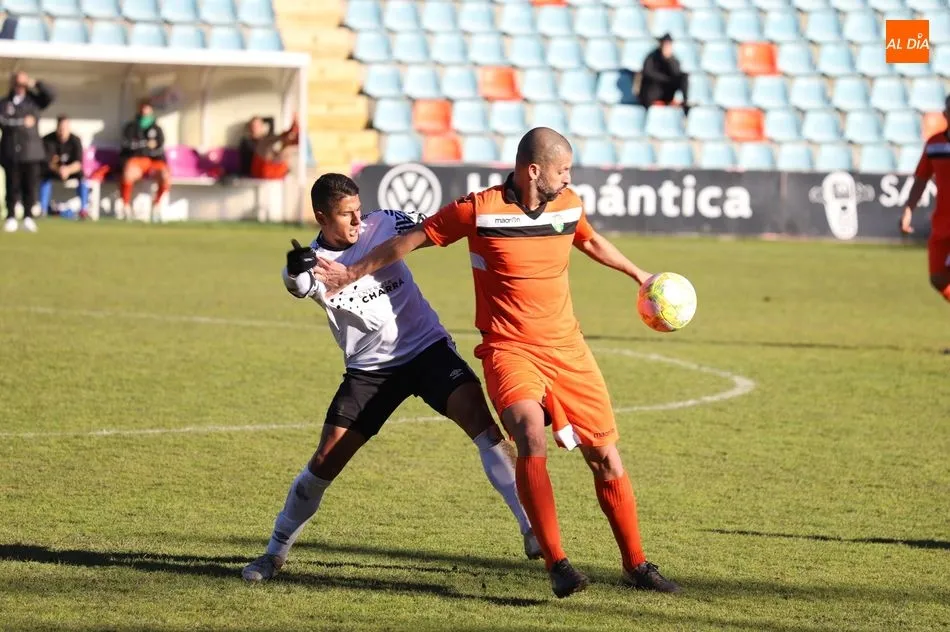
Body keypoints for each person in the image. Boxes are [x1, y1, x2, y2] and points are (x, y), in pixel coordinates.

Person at [314, 128, 681, 599]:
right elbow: (412, 240)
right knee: (528, 434)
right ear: (534, 170)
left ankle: (636, 564)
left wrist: (640, 274)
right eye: (562, 169)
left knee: (606, 458)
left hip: (569, 349)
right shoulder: (479, 209)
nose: (568, 177)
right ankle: (557, 563)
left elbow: (587, 242)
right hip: (510, 349)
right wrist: (350, 271)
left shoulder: (569, 203)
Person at [241, 173, 540, 583]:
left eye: (358, 211)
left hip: (427, 350)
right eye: (346, 216)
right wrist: (293, 270)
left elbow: (434, 225)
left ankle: (530, 528)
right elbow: (298, 284)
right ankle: (273, 554)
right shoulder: (316, 263)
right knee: (324, 462)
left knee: (484, 428)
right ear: (321, 217)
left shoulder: (383, 222)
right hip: (370, 372)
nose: (357, 222)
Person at [901, 95, 950, 304]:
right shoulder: (934, 144)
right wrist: (909, 208)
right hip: (942, 223)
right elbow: (921, 178)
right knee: (938, 278)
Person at [0, 71, 55, 233]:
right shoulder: (5, 103)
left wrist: (35, 83)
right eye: (17, 83)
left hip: (31, 151)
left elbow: (51, 95)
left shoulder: (34, 102)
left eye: (22, 84)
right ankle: (11, 217)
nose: (20, 87)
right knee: (12, 185)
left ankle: (28, 217)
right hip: (10, 150)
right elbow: (4, 121)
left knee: (30, 186)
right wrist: (21, 123)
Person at [119, 99, 168, 213]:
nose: (145, 110)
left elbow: (159, 146)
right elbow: (127, 144)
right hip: (137, 160)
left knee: (165, 175)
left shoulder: (157, 128)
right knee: (128, 173)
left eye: (147, 108)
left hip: (153, 161)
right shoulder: (131, 127)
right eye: (143, 107)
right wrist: (145, 144)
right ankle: (125, 206)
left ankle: (156, 205)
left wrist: (150, 147)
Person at [40, 115, 89, 220]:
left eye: (65, 128)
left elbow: (78, 163)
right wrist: (59, 169)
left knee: (82, 177)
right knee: (43, 176)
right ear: (57, 127)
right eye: (60, 128)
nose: (62, 131)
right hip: (54, 170)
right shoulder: (48, 139)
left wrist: (67, 170)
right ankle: (42, 209)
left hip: (71, 170)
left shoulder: (75, 140)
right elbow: (47, 162)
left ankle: (84, 209)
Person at [638, 34, 689, 114]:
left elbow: (676, 75)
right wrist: (665, 79)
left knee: (684, 76)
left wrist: (669, 60)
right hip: (653, 92)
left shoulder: (673, 59)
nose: (666, 46)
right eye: (665, 44)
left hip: (667, 92)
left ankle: (685, 103)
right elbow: (647, 73)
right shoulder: (651, 57)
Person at [238, 115, 299, 180]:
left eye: (258, 126)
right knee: (270, 146)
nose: (255, 128)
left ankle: (288, 135)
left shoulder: (265, 140)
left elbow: (271, 155)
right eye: (253, 126)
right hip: (256, 170)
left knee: (285, 150)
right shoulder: (246, 142)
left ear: (262, 126)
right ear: (250, 127)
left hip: (268, 167)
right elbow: (264, 155)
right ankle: (287, 135)